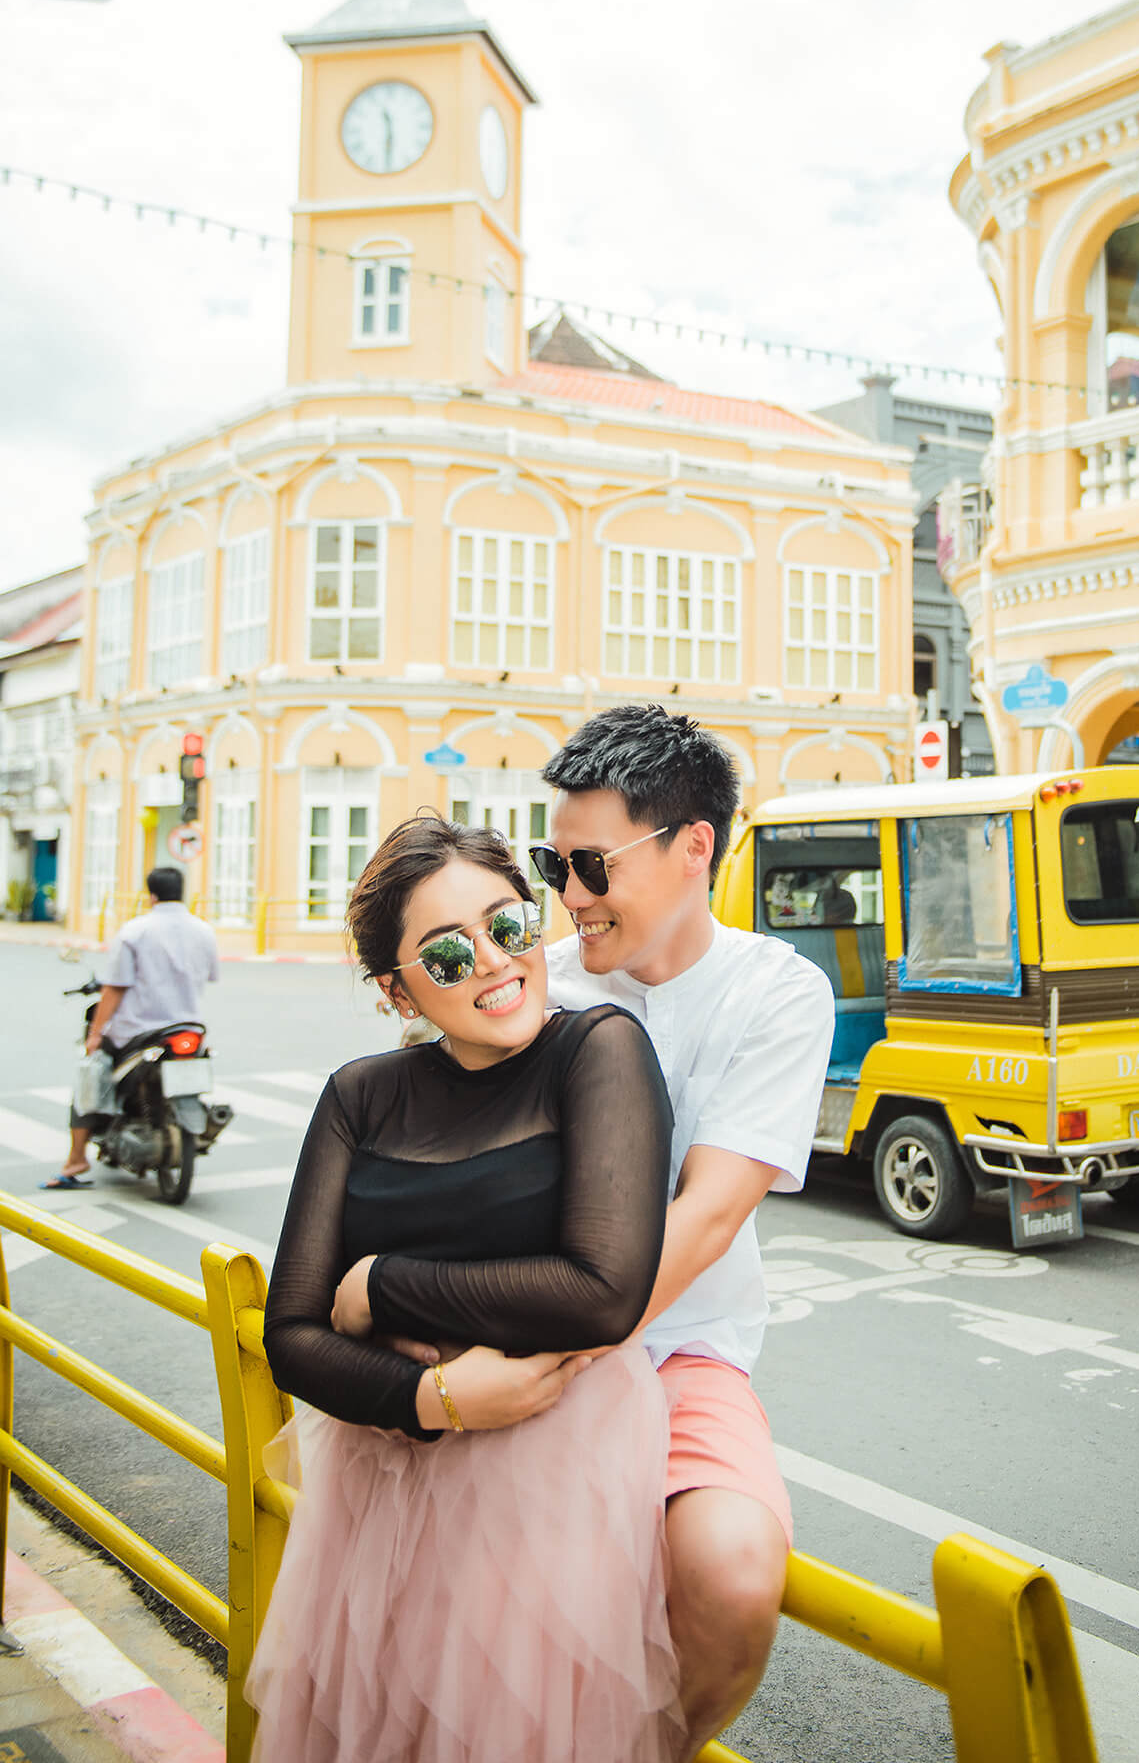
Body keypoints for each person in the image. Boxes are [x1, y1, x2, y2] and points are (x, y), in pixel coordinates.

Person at [344, 709, 836, 1753]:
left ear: (692, 843)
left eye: (589, 863)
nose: (567, 894)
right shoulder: (532, 979)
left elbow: (706, 1215)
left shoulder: (775, 993)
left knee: (737, 1576)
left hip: (671, 1348)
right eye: (549, 861)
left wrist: (537, 1357)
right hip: (483, 1328)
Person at [250, 816, 683, 1763]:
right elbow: (290, 1333)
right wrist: (432, 1399)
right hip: (379, 1491)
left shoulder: (597, 1050)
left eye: (509, 926)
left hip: (552, 1476)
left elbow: (603, 1290)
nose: (494, 962)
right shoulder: (359, 1097)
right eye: (448, 955)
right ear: (396, 989)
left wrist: (382, 1286)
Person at [45, 864, 219, 1190]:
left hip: (138, 1032)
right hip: (189, 1028)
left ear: (151, 894)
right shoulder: (204, 931)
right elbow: (210, 975)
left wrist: (95, 1035)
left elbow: (115, 987)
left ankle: (76, 1159)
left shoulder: (135, 931)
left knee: (90, 1076)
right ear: (180, 892)